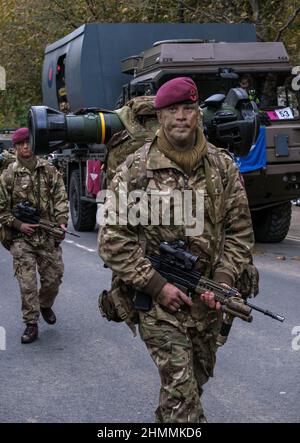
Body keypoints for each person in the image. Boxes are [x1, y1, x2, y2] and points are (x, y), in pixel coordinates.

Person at [98, 77, 254, 422]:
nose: (181, 116)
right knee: (184, 404)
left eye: (188, 108)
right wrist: (157, 285)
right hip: (157, 303)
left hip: (206, 301)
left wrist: (224, 278)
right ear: (160, 116)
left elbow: (240, 230)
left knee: (192, 386)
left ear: (198, 113)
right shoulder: (136, 171)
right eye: (172, 110)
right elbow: (112, 239)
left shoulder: (222, 168)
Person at [0, 127, 69, 344]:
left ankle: (45, 304)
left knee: (53, 279)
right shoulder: (8, 175)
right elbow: (1, 209)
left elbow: (60, 196)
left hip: (47, 234)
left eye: (27, 142)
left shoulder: (48, 169)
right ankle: (31, 324)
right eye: (20, 144)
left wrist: (62, 221)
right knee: (27, 282)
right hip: (22, 239)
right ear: (15, 147)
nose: (25, 147)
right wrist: (19, 225)